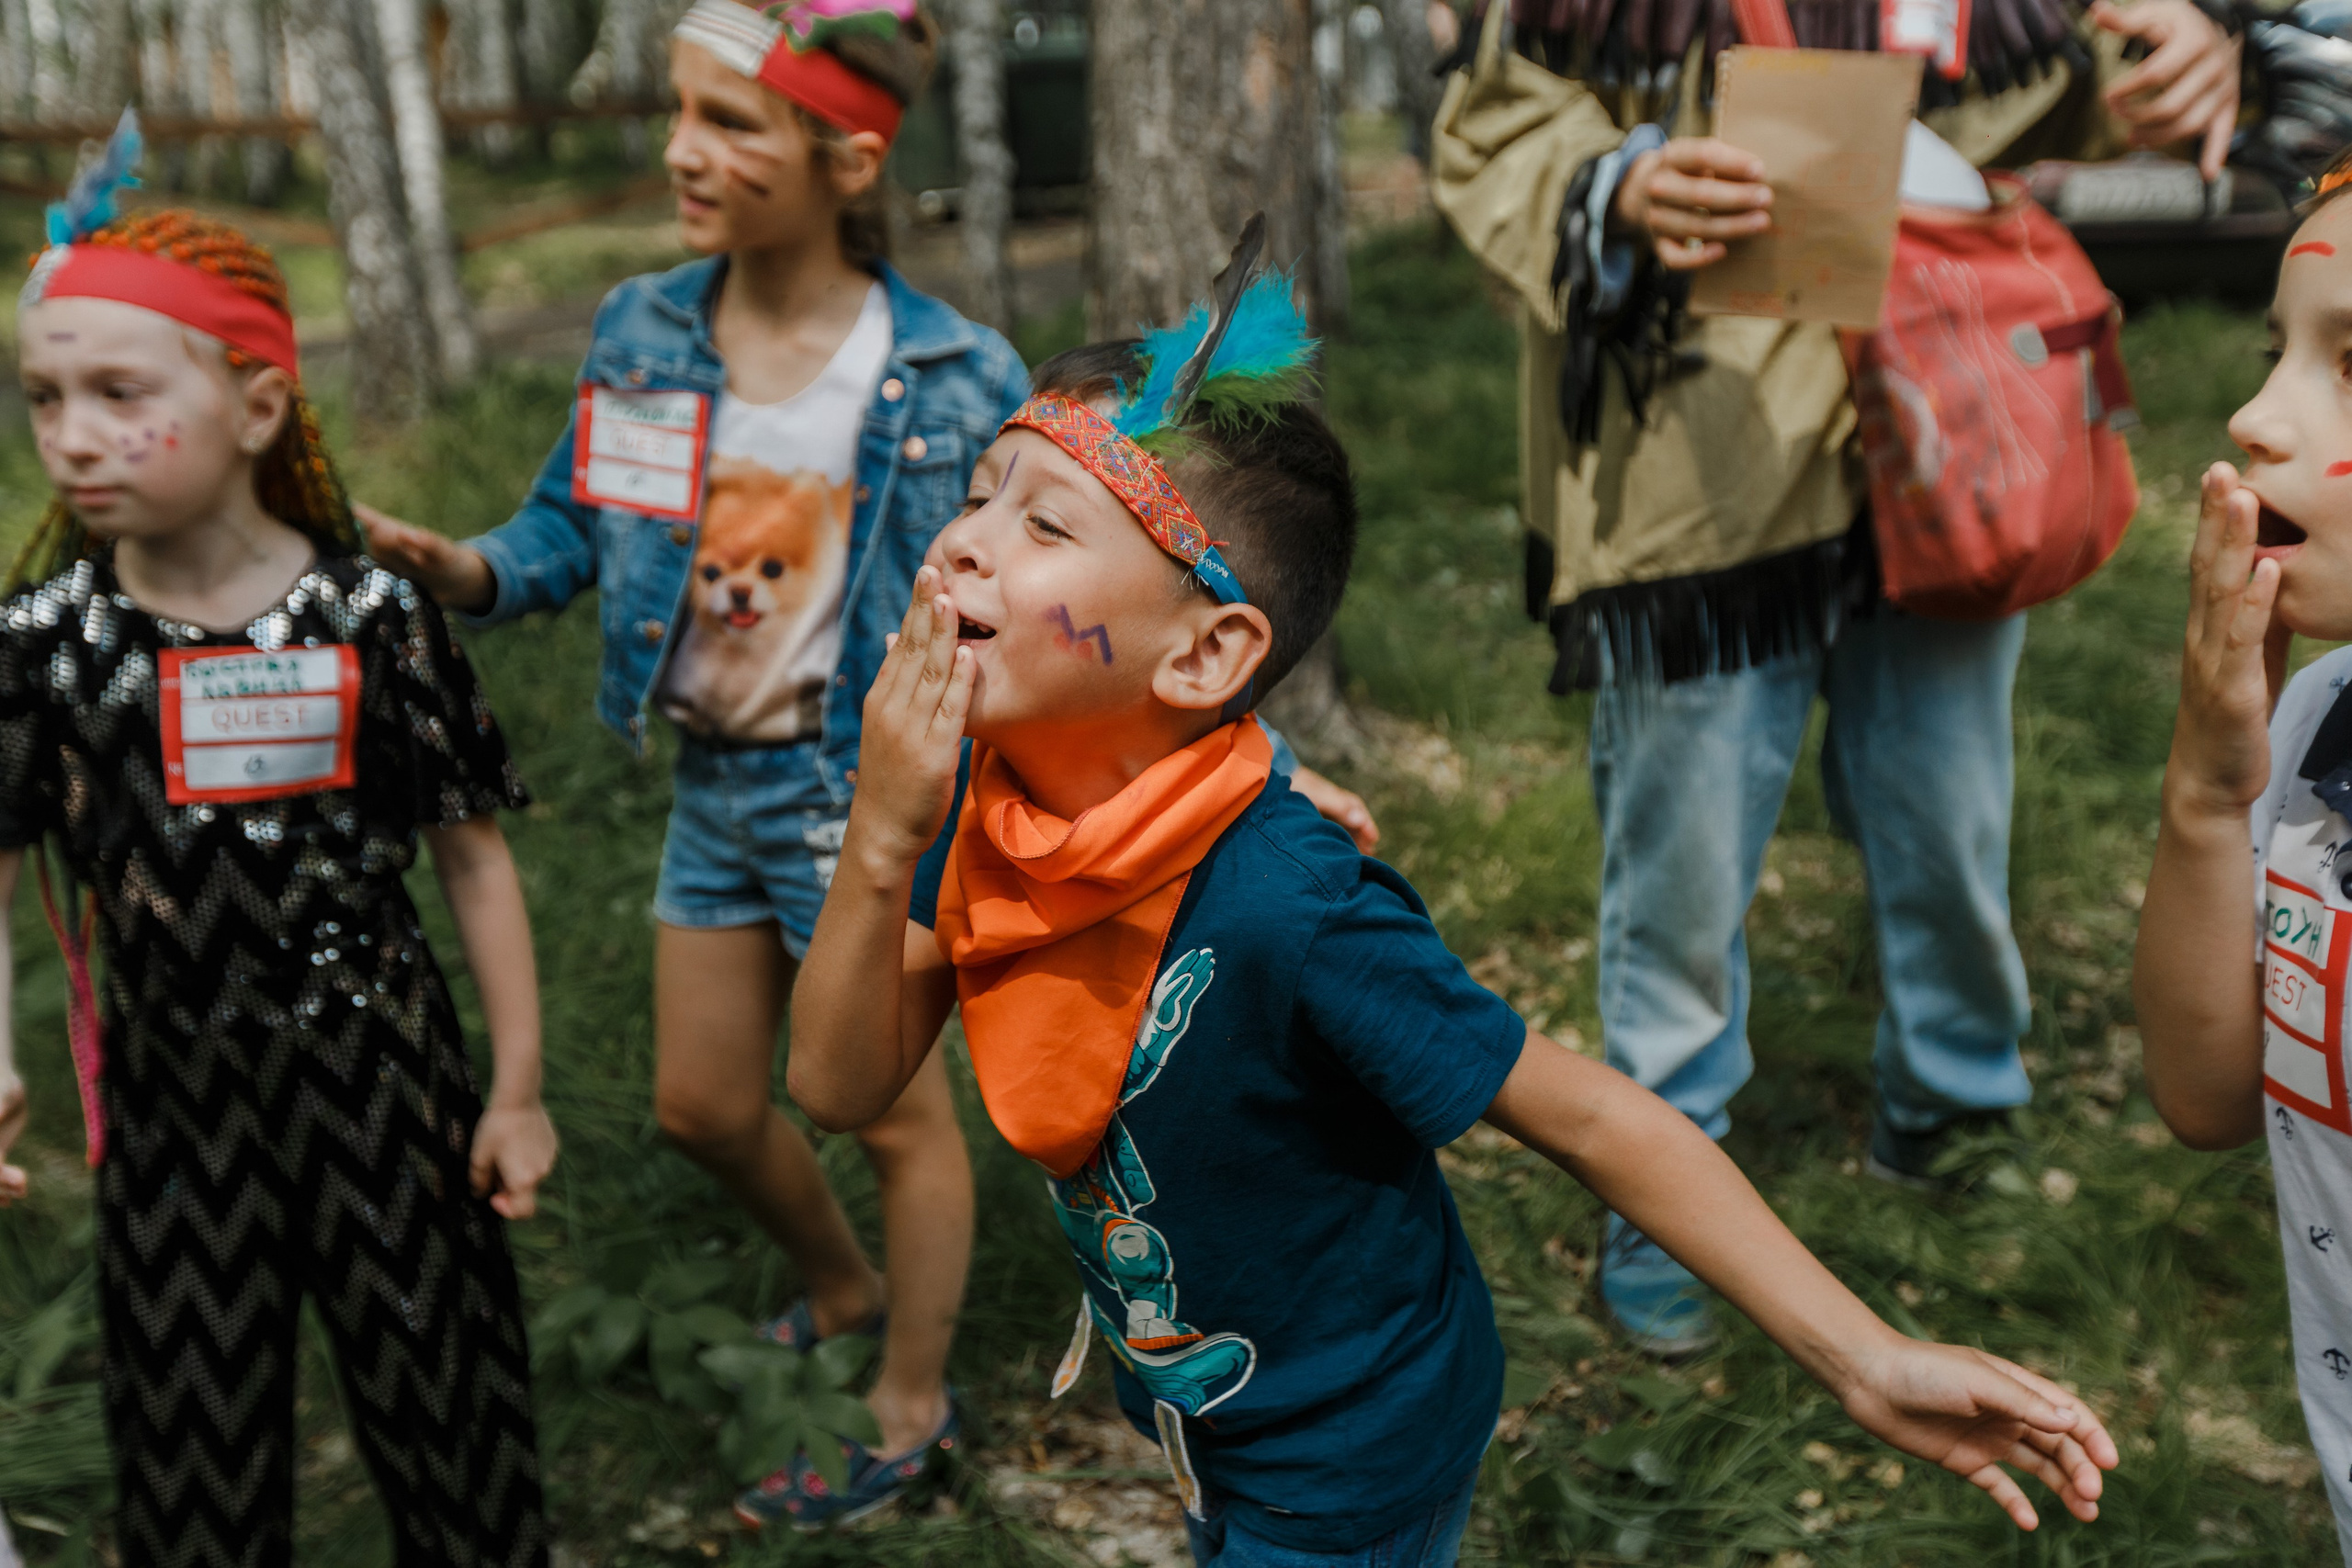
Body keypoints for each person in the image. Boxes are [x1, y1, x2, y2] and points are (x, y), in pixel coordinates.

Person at [785, 260, 2119, 1566]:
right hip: (1215, 1430)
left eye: (1046, 526)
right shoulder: (981, 802)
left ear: (1204, 657)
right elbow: (838, 1083)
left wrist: (1863, 1355)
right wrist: (885, 828)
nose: (964, 537)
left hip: (1351, 1471)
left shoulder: (1292, 907)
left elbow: (1589, 1117)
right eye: (979, 499)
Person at [1430, 0, 2247, 1353]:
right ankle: (1664, 1191)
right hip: (1700, 464)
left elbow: (2083, 66)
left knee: (1948, 815)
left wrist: (2190, 54)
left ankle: (1955, 1114)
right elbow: (1495, 119)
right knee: (1682, 861)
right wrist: (1619, 185)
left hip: (1949, 427)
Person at [357, 0, 1011, 1527]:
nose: (680, 151)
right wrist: (459, 567)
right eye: (677, 111)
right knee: (702, 1108)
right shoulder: (645, 329)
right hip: (713, 793)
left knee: (891, 1111)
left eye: (730, 121)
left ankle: (914, 1401)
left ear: (848, 159)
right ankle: (841, 1290)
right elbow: (569, 531)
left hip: (858, 801)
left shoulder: (952, 368)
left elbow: (1030, 590)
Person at [0, 185, 557, 1562]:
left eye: (118, 391)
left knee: (454, 1423)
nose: (72, 434)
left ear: (255, 408)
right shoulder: (45, 644)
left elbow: (472, 857)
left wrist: (520, 1088)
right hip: (173, 1107)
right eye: (43, 395)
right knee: (193, 1455)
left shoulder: (373, 618)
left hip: (387, 1080)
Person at [2134, 152, 2352, 1559]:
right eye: (2280, 349)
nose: (2255, 414)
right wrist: (2212, 799)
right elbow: (2214, 1093)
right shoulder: (2322, 719)